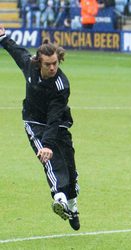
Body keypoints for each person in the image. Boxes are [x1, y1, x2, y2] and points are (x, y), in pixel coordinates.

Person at [0, 24, 80, 231]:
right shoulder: (29, 66)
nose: (52, 68)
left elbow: (54, 117)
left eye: (55, 63)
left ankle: (72, 207)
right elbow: (16, 51)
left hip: (58, 122)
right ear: (39, 63)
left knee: (70, 168)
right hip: (33, 121)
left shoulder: (61, 85)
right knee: (49, 159)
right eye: (48, 64)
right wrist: (3, 37)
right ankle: (59, 198)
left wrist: (50, 142)